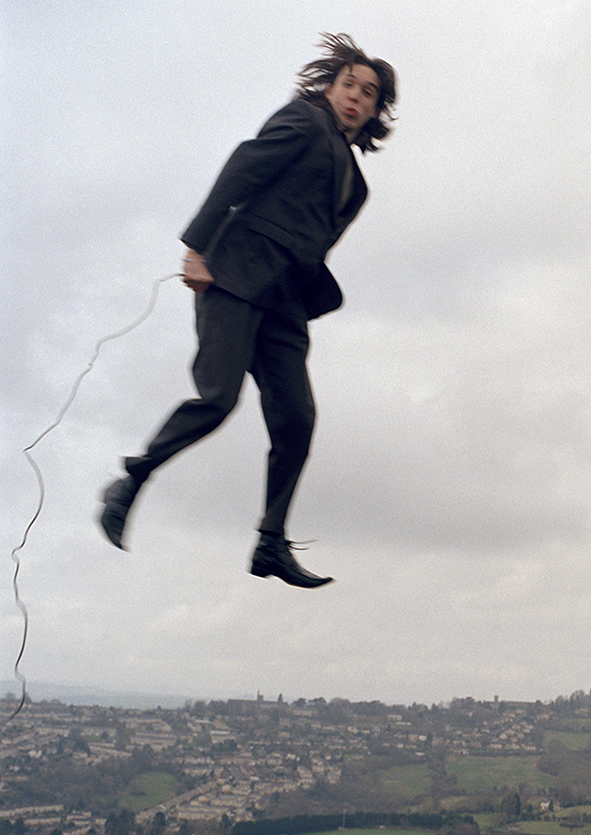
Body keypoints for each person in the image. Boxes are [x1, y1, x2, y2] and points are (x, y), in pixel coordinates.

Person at [98, 34, 397, 587]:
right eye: (347, 84)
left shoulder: (356, 187)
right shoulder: (304, 123)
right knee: (217, 398)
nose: (354, 96)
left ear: (377, 110)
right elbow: (243, 168)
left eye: (368, 92)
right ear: (329, 88)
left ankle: (270, 542)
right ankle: (130, 483)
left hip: (283, 304)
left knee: (297, 420)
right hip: (233, 277)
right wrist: (198, 248)